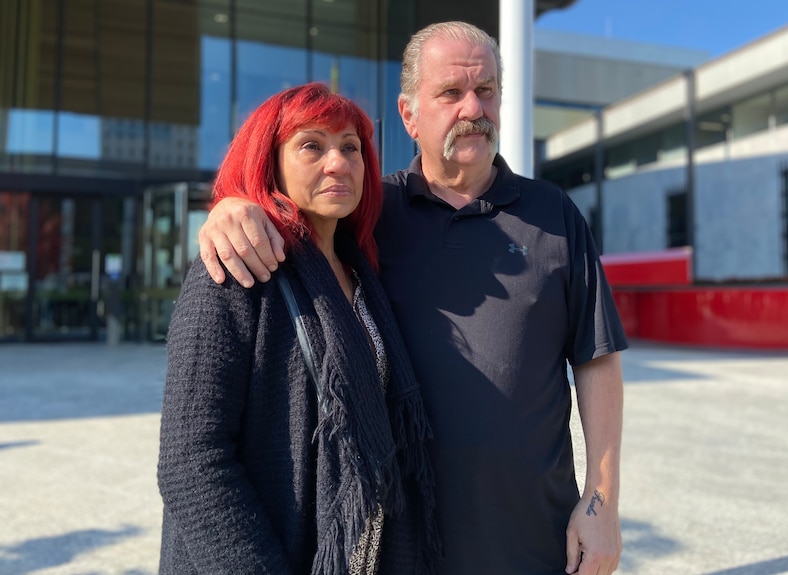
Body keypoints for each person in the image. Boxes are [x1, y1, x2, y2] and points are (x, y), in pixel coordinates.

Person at [198, 22, 627, 575]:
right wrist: (230, 209)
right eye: (451, 93)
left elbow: (597, 360)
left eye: (488, 91)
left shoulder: (556, 216)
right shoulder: (369, 215)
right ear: (408, 115)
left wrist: (602, 502)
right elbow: (292, 217)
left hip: (533, 539)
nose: (474, 107)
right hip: (398, 546)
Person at [157, 83, 439, 575]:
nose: (339, 162)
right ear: (270, 159)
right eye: (312, 145)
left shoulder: (362, 271)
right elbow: (190, 463)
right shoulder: (235, 269)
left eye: (351, 147)